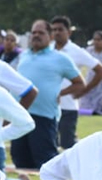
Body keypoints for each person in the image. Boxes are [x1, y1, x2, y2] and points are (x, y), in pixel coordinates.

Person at [13, 19, 84, 169]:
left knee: (45, 161)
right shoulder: (24, 56)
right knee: (20, 159)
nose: (36, 36)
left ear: (50, 36)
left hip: (44, 117)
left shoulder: (60, 58)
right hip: (20, 116)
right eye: (33, 33)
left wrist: (60, 93)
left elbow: (79, 83)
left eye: (41, 33)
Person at [50, 16, 102, 150]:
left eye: (60, 29)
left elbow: (101, 71)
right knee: (49, 143)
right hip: (49, 106)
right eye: (54, 30)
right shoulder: (48, 50)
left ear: (69, 32)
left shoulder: (76, 51)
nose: (57, 32)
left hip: (68, 106)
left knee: (67, 145)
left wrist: (84, 90)